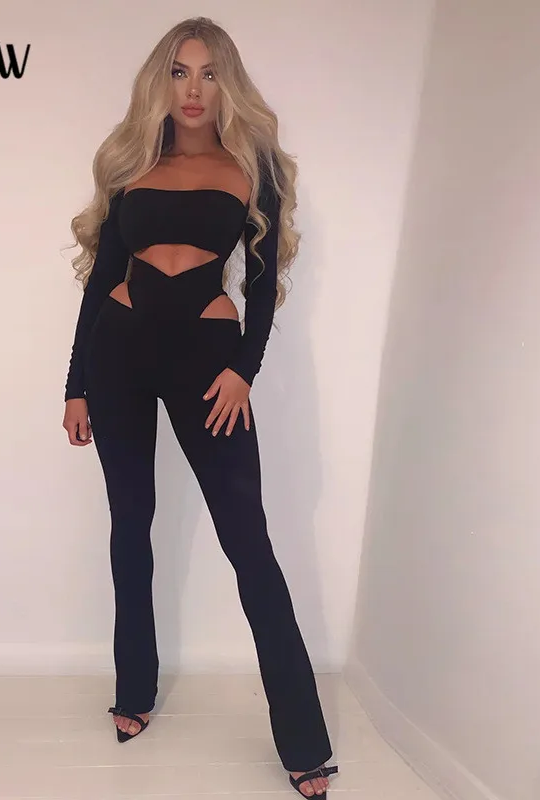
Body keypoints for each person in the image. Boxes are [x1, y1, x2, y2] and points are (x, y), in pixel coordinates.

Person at [61, 16, 338, 798]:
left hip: (207, 363)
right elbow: (101, 279)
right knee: (131, 526)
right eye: (180, 73)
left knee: (249, 542)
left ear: (227, 84)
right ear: (162, 82)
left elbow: (260, 286)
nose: (193, 90)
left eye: (209, 74)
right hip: (119, 350)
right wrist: (76, 384)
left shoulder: (252, 166)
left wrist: (243, 371)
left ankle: (303, 741)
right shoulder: (133, 165)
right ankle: (135, 689)